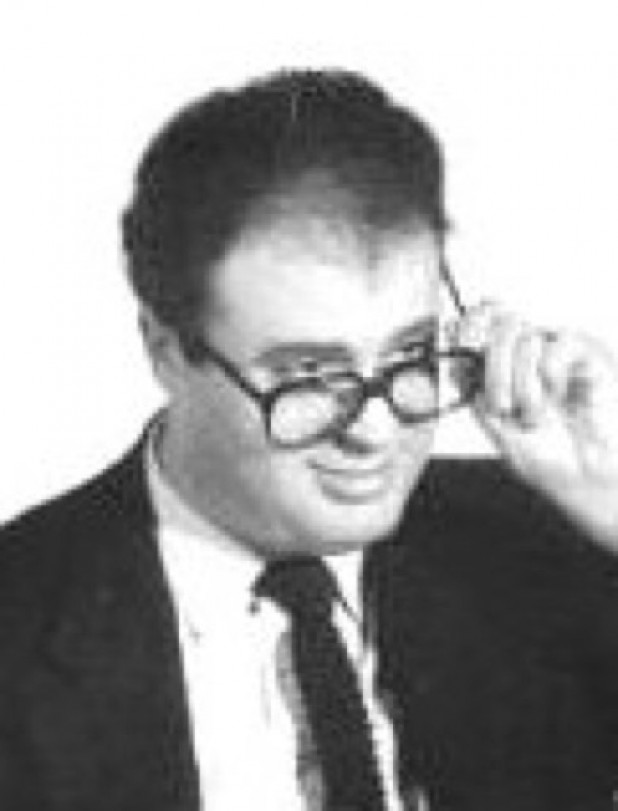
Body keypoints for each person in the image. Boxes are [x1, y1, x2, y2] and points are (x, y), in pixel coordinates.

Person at [2, 68, 618, 811]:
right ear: (166, 350)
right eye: (310, 376)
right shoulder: (20, 620)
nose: (376, 432)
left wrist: (607, 490)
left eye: (410, 355)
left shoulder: (553, 541)